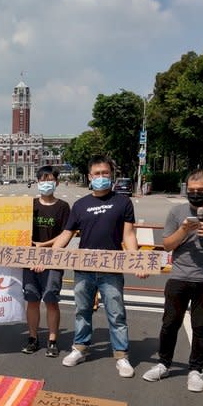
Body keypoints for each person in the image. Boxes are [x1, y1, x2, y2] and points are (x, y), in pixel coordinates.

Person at [142, 169, 203, 392]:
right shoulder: (177, 212)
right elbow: (167, 245)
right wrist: (184, 229)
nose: (195, 194)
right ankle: (163, 364)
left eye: (201, 191)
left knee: (201, 327)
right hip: (179, 276)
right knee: (169, 324)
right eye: (192, 190)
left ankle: (196, 370)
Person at [50, 155, 146, 377]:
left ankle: (121, 356)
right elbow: (66, 234)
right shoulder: (81, 205)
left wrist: (137, 260)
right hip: (84, 268)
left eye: (105, 173)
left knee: (116, 313)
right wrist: (49, 256)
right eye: (97, 174)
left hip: (111, 269)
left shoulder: (123, 202)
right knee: (82, 310)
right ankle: (80, 348)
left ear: (110, 175)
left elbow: (129, 234)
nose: (101, 177)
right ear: (89, 177)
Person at [21, 166, 70, 357]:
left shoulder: (63, 207)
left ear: (57, 182)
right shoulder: (29, 206)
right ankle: (32, 338)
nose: (45, 183)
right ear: (37, 182)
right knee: (32, 300)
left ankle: (52, 340)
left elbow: (65, 234)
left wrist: (43, 247)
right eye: (42, 180)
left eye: (49, 180)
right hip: (29, 259)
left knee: (51, 300)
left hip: (53, 259)